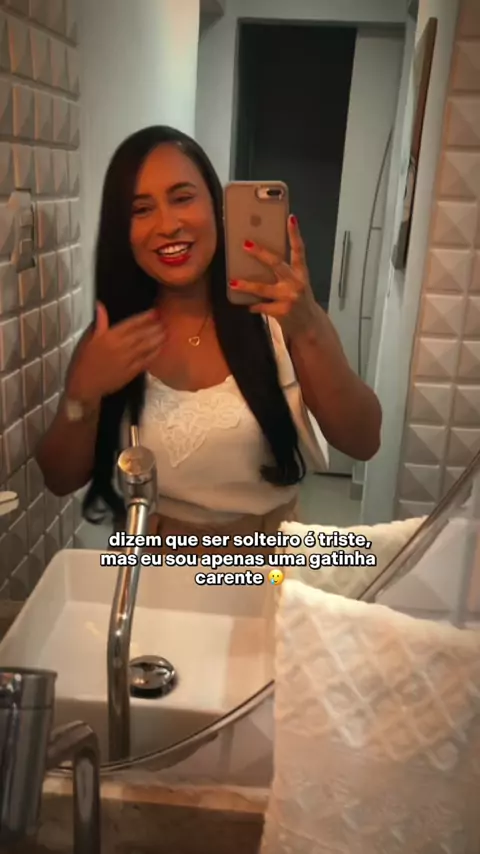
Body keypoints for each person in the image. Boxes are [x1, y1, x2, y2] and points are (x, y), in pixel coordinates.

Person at [35, 126, 382, 554]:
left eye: (183, 198)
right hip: (151, 567)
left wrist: (309, 326)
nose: (168, 225)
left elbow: (363, 440)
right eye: (141, 209)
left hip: (264, 565)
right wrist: (82, 395)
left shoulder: (278, 321)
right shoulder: (112, 338)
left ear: (217, 206)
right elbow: (59, 479)